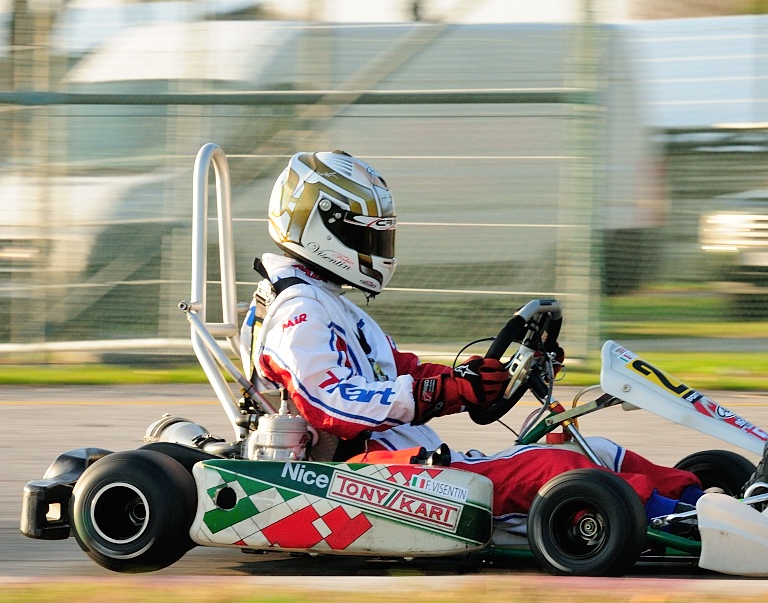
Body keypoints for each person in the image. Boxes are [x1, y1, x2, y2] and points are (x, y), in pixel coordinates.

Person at [240, 150, 704, 533]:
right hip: (366, 474)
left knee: (593, 450)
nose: (377, 250)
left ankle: (706, 497)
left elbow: (400, 372)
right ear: (324, 226)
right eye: (366, 237)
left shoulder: (331, 303)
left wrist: (471, 381)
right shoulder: (295, 311)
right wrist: (438, 392)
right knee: (549, 473)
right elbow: (328, 402)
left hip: (408, 462)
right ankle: (683, 523)